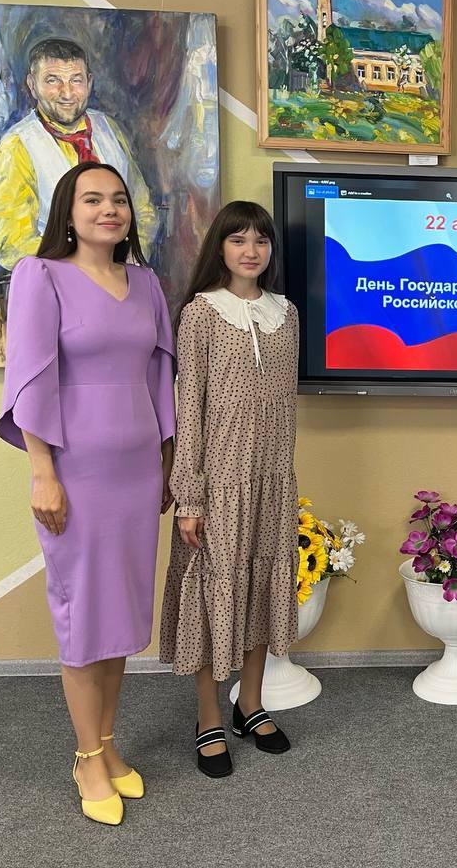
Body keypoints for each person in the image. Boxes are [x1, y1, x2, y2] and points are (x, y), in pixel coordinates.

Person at [0, 161, 176, 825]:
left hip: (137, 472)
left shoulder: (147, 283)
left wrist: (167, 461)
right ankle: (85, 757)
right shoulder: (40, 276)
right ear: (67, 214)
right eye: (92, 199)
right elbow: (30, 376)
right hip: (77, 473)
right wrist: (42, 471)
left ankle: (107, 742)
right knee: (83, 617)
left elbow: (160, 378)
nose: (109, 210)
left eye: (118, 200)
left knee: (120, 615)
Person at [159, 201, 299, 778]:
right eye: (238, 239)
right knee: (211, 594)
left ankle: (251, 704)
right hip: (218, 484)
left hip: (272, 481)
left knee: (261, 588)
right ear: (219, 246)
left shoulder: (286, 314)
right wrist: (189, 495)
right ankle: (209, 715)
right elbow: (188, 408)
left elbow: (285, 407)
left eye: (260, 240)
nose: (251, 250)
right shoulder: (201, 314)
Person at [0, 37, 159, 271]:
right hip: (58, 283)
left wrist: (126, 263)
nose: (67, 93)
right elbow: (12, 245)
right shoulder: (17, 145)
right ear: (32, 84)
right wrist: (88, 264)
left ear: (89, 83)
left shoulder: (109, 128)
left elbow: (143, 211)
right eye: (53, 80)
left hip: (123, 276)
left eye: (76, 80)